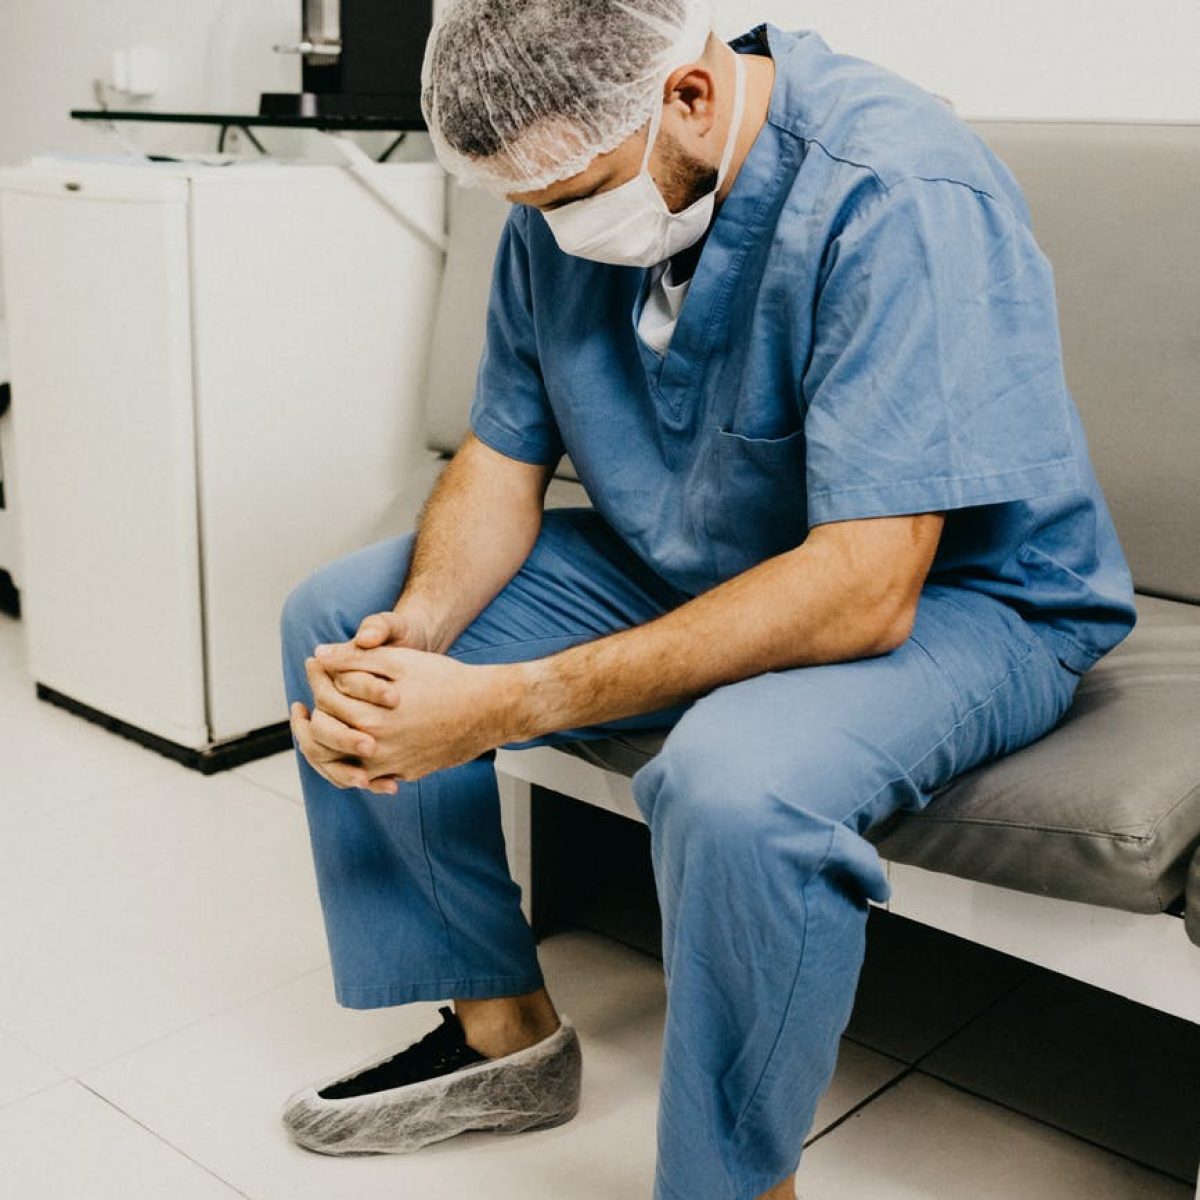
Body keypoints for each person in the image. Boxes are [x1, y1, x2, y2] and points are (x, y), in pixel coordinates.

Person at [278, 2, 1137, 1197]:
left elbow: (863, 588)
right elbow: (501, 456)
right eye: (529, 208)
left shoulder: (898, 189)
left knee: (734, 783)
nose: (552, 231)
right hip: (701, 549)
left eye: (569, 196)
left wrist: (500, 703)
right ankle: (501, 1042)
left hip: (961, 597)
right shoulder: (575, 183)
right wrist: (418, 643)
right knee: (341, 619)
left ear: (688, 96)